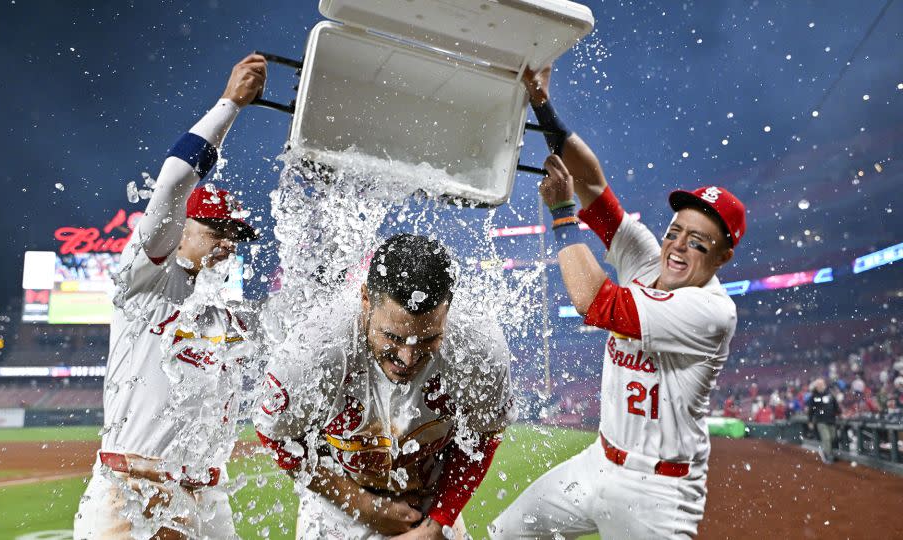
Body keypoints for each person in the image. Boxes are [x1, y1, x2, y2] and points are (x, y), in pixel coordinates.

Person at [491, 65, 746, 539]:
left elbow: (595, 303)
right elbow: (593, 185)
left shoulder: (712, 311)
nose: (676, 246)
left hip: (659, 492)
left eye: (697, 242)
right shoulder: (650, 258)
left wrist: (563, 216)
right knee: (511, 532)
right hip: (598, 461)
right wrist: (544, 108)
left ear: (724, 256)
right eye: (676, 232)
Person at [74, 53, 267, 539]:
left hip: (204, 498)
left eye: (235, 234)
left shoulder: (225, 312)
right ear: (180, 227)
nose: (227, 242)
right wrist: (230, 105)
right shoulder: (146, 279)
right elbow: (175, 180)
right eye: (216, 229)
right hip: (129, 493)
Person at [254, 233, 515, 539]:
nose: (408, 358)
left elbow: (485, 435)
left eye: (429, 339)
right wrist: (361, 504)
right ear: (365, 300)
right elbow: (275, 435)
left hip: (428, 505)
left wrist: (439, 521)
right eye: (393, 337)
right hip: (340, 501)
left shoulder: (480, 346)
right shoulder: (312, 350)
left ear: (448, 310)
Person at [808, 378, 841, 464]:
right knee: (826, 438)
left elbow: (835, 405)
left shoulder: (830, 394)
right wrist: (810, 421)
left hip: (831, 419)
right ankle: (828, 455)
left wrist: (839, 413)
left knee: (833, 438)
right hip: (820, 421)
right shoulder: (814, 397)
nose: (820, 386)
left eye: (821, 384)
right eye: (818, 385)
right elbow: (811, 410)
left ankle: (831, 453)